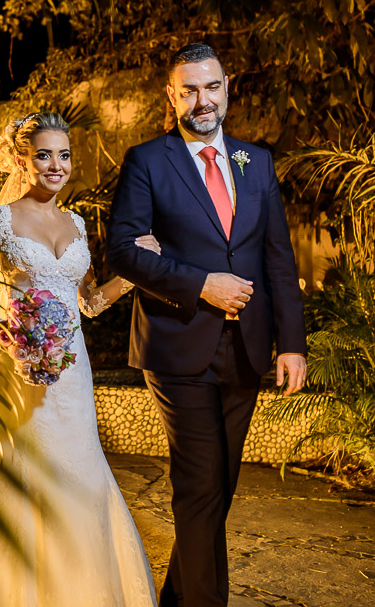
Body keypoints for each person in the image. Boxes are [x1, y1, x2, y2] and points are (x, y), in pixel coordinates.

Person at [0, 111, 162, 607]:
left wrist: (134, 273)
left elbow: (89, 303)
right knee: (29, 471)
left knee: (82, 468)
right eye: (44, 155)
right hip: (23, 369)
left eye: (63, 155)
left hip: (73, 370)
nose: (56, 165)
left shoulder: (76, 223)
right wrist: (7, 333)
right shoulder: (0, 219)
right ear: (22, 161)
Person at [106, 43, 307, 607]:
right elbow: (122, 251)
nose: (202, 100)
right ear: (171, 96)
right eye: (189, 90)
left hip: (246, 348)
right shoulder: (148, 160)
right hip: (176, 345)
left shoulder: (255, 161)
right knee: (199, 486)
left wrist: (291, 344)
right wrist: (200, 284)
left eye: (211, 87)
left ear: (227, 88)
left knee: (219, 489)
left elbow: (278, 258)